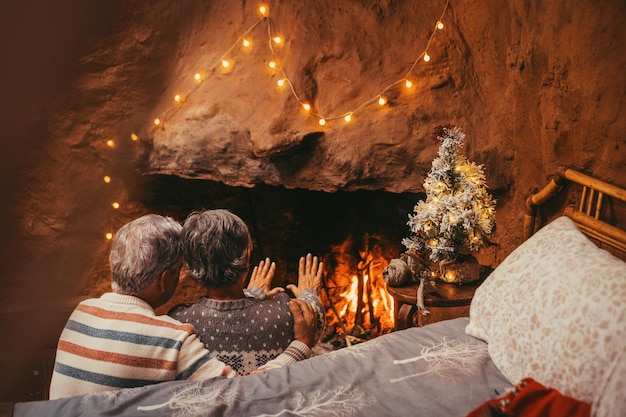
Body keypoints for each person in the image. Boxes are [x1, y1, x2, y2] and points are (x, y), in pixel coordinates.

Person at [49, 214, 316, 399]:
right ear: (165, 279)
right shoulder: (169, 338)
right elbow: (243, 392)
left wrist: (250, 295)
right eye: (177, 270)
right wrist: (301, 344)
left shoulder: (82, 312)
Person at [169, 209, 325, 375]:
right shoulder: (285, 313)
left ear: (191, 266)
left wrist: (252, 294)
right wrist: (309, 293)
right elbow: (313, 318)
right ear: (248, 254)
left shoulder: (179, 321)